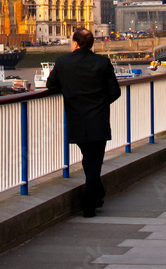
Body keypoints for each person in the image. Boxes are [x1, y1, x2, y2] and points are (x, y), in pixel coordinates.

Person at [46, 28, 121, 217]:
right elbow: (115, 92)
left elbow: (51, 85)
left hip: (76, 117)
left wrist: (71, 95)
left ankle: (93, 198)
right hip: (98, 119)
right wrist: (100, 104)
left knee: (89, 158)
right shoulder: (102, 62)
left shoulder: (63, 62)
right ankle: (92, 200)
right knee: (94, 160)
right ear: (92, 43)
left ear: (75, 43)